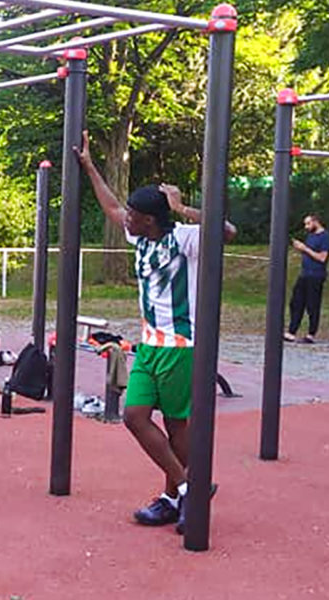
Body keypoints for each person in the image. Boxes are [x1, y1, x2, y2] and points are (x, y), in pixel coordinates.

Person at [75, 131, 237, 534]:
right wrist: (90, 167)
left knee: (178, 427)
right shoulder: (138, 235)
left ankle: (172, 498)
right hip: (149, 344)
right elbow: (111, 206)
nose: (125, 217)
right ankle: (188, 488)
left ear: (149, 218)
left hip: (182, 346)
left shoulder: (185, 239)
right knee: (134, 415)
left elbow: (227, 230)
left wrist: (182, 207)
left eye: (133, 213)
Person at [285, 214, 329, 343]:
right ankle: (291, 332)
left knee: (312, 305)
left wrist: (305, 248)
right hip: (304, 273)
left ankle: (311, 334)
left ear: (316, 222)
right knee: (296, 302)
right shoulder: (310, 236)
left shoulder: (325, 237)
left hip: (316, 275)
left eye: (308, 223)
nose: (306, 227)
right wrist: (300, 248)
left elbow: (322, 257)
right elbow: (309, 252)